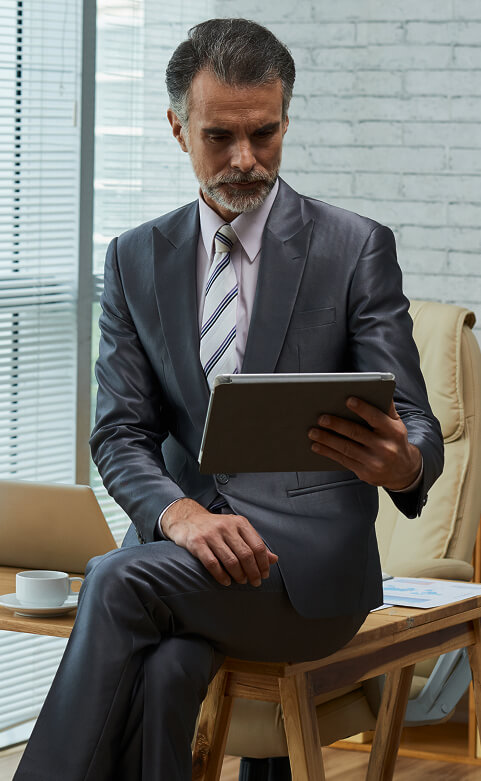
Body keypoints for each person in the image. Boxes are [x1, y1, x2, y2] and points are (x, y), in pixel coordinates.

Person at [14, 17, 443, 781]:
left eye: (265, 134)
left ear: (283, 118)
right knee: (169, 666)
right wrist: (178, 514)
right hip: (187, 555)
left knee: (116, 576)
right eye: (220, 137)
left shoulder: (353, 247)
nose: (246, 159)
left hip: (307, 569)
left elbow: (412, 418)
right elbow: (119, 431)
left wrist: (404, 462)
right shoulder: (135, 257)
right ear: (177, 127)